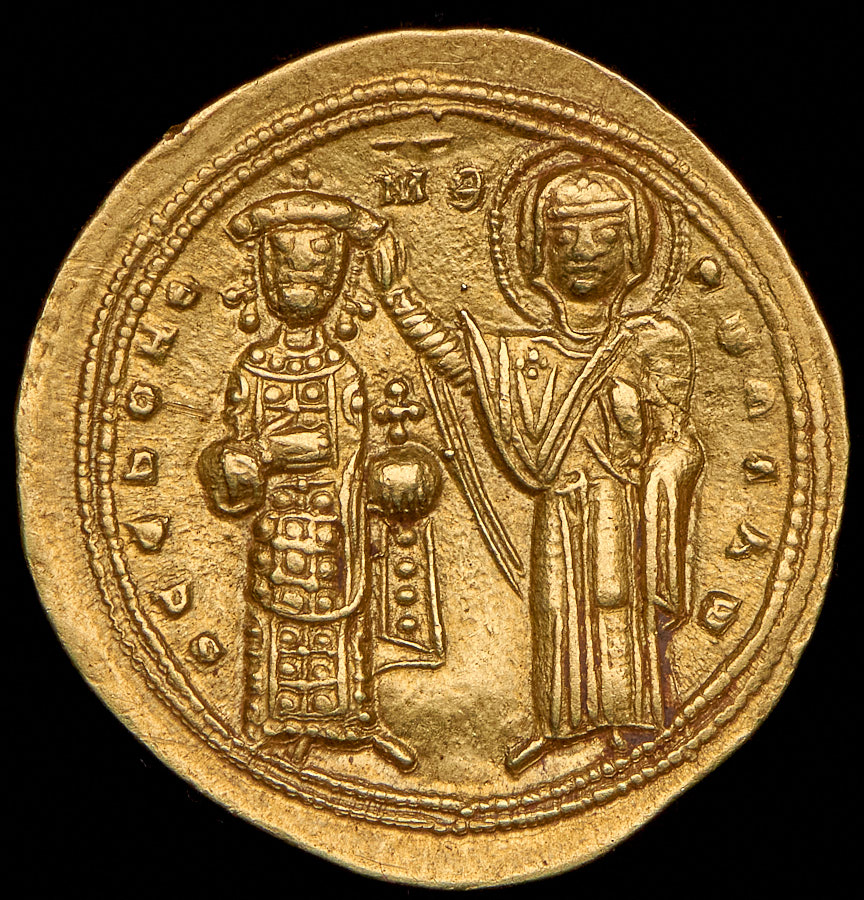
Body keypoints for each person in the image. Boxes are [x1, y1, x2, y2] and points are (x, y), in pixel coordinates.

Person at [374, 164, 704, 774]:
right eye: (564, 237)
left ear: (634, 254)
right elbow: (457, 361)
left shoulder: (655, 342)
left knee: (615, 606)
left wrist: (664, 469)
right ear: (536, 256)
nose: (583, 251)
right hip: (560, 506)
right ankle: (560, 727)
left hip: (621, 506)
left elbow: (676, 436)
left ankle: (628, 725)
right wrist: (398, 298)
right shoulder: (522, 355)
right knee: (557, 614)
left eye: (604, 236)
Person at [198, 191, 420, 770]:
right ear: (262, 279)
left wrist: (386, 475)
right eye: (286, 273)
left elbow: (346, 449)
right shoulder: (252, 368)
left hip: (337, 522)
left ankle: (348, 722)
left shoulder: (344, 369)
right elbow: (238, 462)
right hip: (276, 527)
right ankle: (275, 726)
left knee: (343, 625)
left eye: (317, 275)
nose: (301, 288)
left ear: (339, 284)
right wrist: (251, 458)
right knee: (277, 619)